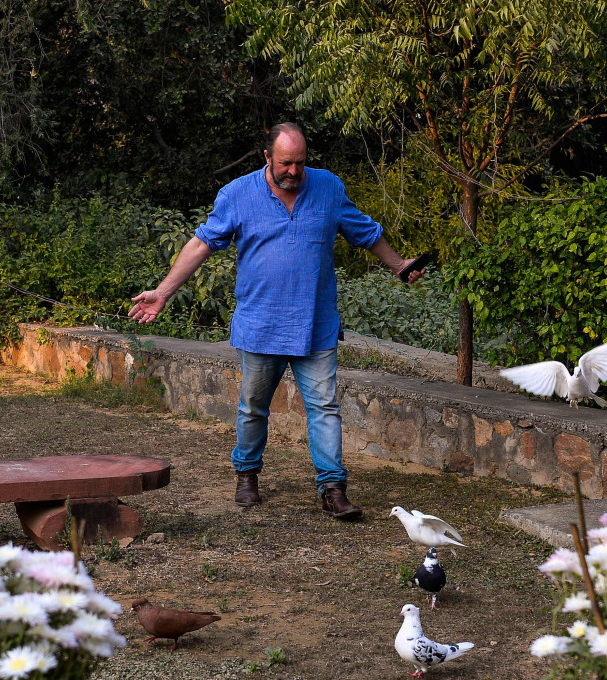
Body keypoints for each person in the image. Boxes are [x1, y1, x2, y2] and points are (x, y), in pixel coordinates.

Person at [128, 122, 424, 520]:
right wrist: (163, 292)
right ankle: (247, 475)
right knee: (253, 408)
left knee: (324, 407)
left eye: (300, 163)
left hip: (316, 324)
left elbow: (365, 233)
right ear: (267, 157)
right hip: (261, 324)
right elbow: (201, 244)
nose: (294, 172)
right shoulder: (237, 194)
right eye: (286, 163)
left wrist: (400, 266)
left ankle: (333, 489)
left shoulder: (329, 188)